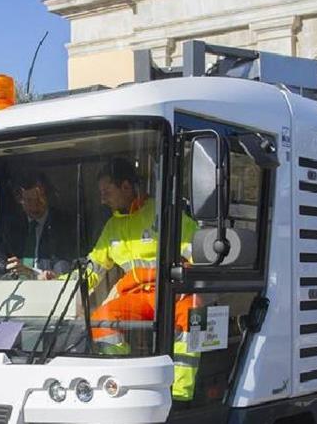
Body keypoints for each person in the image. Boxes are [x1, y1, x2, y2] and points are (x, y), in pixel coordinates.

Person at [39, 158, 199, 401]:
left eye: (107, 192)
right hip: (138, 298)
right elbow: (93, 267)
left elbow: (198, 252)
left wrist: (189, 282)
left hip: (172, 293)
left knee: (190, 315)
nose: (103, 199)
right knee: (102, 319)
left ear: (126, 187)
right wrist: (60, 282)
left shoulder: (165, 214)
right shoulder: (112, 227)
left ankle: (179, 395)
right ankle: (118, 381)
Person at [0, 174, 76, 278]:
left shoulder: (63, 225)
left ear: (47, 196)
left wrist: (34, 273)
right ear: (20, 200)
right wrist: (8, 266)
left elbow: (63, 267)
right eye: (29, 200)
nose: (34, 206)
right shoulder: (12, 227)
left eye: (39, 199)